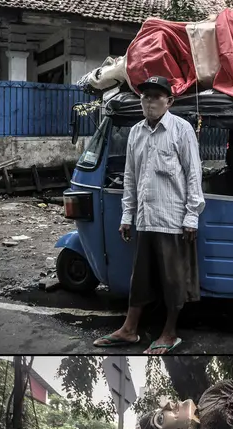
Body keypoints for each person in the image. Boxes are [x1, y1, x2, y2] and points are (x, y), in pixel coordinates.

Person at [94, 75, 205, 355]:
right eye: (145, 96)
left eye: (156, 96)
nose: (149, 101)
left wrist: (192, 216)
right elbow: (131, 177)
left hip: (174, 220)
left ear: (169, 101)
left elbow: (194, 175)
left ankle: (169, 333)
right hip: (145, 218)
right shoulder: (136, 132)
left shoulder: (181, 130)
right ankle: (129, 330)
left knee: (173, 280)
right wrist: (126, 216)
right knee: (140, 278)